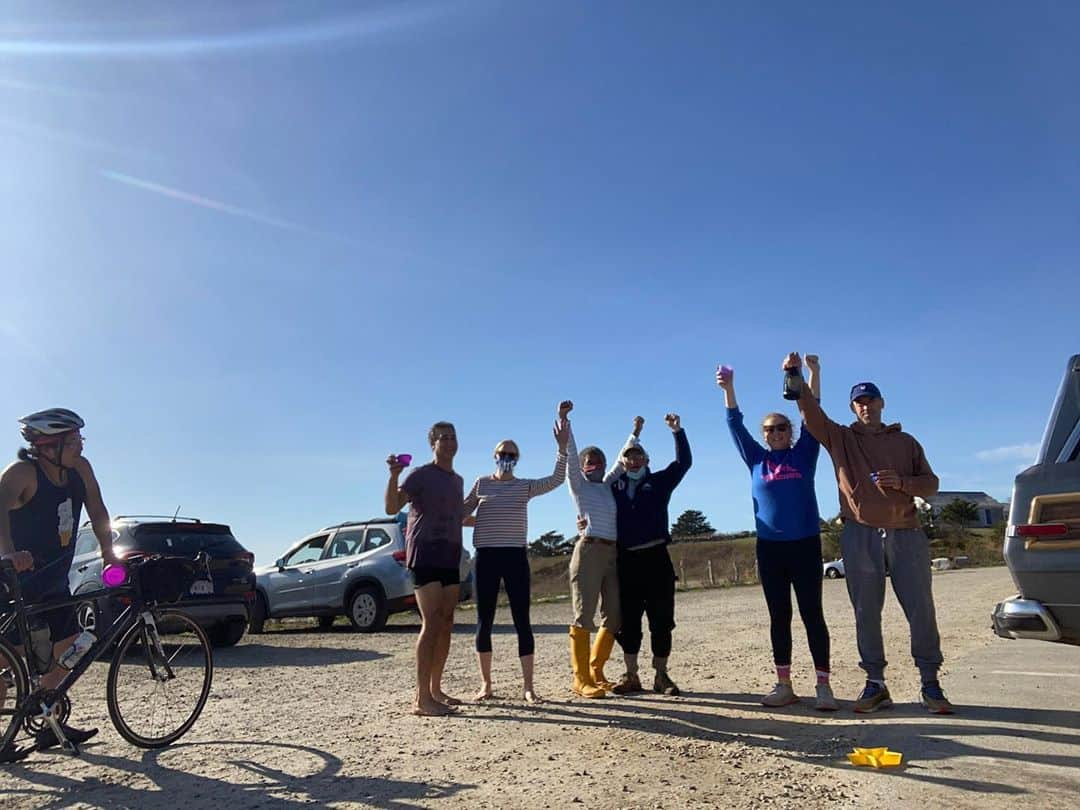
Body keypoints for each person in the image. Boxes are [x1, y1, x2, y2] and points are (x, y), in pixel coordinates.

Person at [792, 353, 953, 714]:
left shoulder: (907, 442)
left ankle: (931, 683)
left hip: (906, 533)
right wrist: (798, 374)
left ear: (881, 404)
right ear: (853, 407)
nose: (866, 407)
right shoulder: (841, 439)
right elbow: (809, 413)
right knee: (866, 612)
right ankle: (876, 684)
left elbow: (931, 484)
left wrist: (905, 482)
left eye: (871, 400)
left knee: (921, 609)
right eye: (859, 402)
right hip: (859, 533)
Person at [717, 360, 837, 711]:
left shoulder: (805, 453)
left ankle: (823, 687)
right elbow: (734, 425)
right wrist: (728, 390)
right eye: (770, 429)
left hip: (805, 545)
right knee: (779, 615)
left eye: (782, 427)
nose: (776, 433)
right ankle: (784, 684)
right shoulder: (755, 459)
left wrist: (814, 374)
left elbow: (813, 414)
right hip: (770, 549)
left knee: (812, 613)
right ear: (764, 435)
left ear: (791, 431)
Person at [0, 408, 116, 762]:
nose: (81, 445)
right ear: (50, 446)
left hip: (53, 582)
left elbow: (97, 510)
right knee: (6, 661)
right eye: (74, 440)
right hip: (14, 584)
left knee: (74, 647)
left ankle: (45, 712)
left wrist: (109, 553)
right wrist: (9, 553)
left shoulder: (80, 470)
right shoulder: (22, 474)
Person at [463, 411, 569, 704]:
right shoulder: (481, 483)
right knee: (485, 619)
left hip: (515, 557)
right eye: (502, 453)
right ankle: (486, 684)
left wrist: (562, 448)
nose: (506, 457)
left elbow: (557, 479)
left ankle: (529, 687)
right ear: (494, 456)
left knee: (522, 619)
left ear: (517, 459)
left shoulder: (524, 486)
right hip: (485, 557)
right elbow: (460, 513)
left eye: (511, 454)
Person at [385, 421, 464, 717]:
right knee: (430, 622)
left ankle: (435, 689)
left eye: (453, 437)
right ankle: (421, 699)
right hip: (425, 554)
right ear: (433, 444)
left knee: (446, 621)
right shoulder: (420, 475)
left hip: (450, 555)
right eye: (443, 438)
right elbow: (392, 507)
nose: (449, 442)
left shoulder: (457, 480)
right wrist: (394, 476)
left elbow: (455, 515)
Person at [609, 414, 691, 696]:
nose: (634, 460)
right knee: (628, 623)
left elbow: (683, 464)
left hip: (657, 559)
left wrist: (677, 432)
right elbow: (590, 502)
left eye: (638, 456)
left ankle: (661, 675)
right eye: (629, 457)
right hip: (626, 562)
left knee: (661, 621)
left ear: (646, 460)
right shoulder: (613, 488)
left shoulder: (659, 483)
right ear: (622, 462)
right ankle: (631, 675)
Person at [561, 401, 625, 699]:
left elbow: (621, 463)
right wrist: (565, 420)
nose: (595, 466)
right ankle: (581, 678)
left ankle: (597, 670)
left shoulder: (608, 486)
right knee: (584, 615)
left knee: (614, 615)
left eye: (599, 462)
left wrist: (635, 435)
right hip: (588, 551)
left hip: (612, 553)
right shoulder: (578, 485)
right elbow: (571, 460)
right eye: (590, 462)